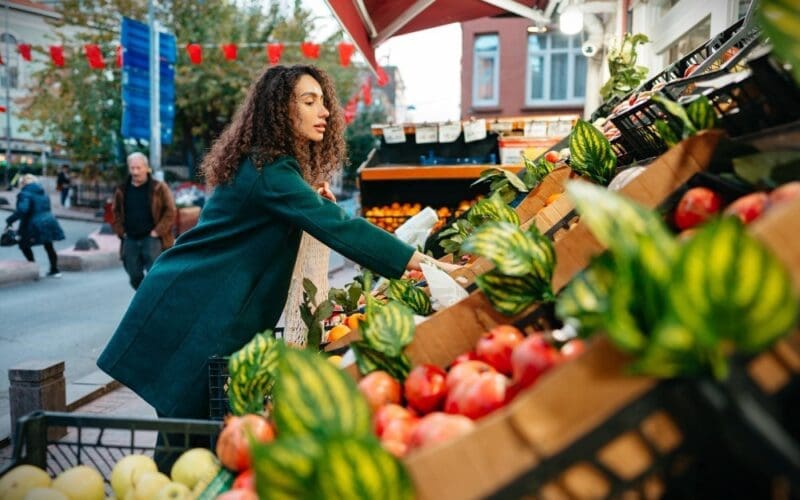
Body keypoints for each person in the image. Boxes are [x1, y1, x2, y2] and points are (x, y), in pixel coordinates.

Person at [97, 64, 457, 428]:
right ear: (281, 110)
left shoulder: (267, 166)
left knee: (193, 429)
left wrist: (310, 199)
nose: (325, 111)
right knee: (192, 428)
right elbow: (342, 228)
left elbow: (291, 213)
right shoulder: (269, 170)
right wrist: (417, 261)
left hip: (194, 300)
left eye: (323, 101)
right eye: (309, 101)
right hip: (196, 309)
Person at [111, 152, 177, 290]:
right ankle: (145, 298)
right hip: (130, 238)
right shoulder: (122, 189)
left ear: (146, 168)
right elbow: (115, 211)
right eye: (132, 168)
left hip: (152, 238)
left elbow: (170, 211)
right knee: (134, 275)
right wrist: (120, 231)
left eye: (138, 168)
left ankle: (152, 301)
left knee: (156, 274)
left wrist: (157, 231)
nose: (135, 172)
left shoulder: (158, 187)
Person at [5, 174, 65, 278]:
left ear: (23, 183)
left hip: (33, 223)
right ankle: (55, 270)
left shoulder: (25, 193)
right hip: (49, 221)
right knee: (49, 245)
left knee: (24, 244)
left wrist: (10, 220)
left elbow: (23, 210)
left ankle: (33, 268)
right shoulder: (43, 192)